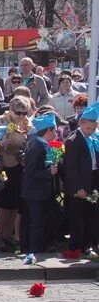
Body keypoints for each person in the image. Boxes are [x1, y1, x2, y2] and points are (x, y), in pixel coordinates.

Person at [0, 97, 32, 249]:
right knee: (5, 204)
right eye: (18, 113)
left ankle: (8, 235)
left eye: (25, 113)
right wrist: (0, 144)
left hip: (20, 166)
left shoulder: (27, 123)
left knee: (16, 204)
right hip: (5, 166)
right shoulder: (0, 122)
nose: (22, 116)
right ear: (11, 109)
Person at [63, 103, 98, 254]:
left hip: (93, 179)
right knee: (77, 217)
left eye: (93, 128)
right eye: (88, 128)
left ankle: (89, 243)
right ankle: (75, 246)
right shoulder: (73, 140)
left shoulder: (94, 139)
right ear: (81, 123)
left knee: (92, 215)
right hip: (80, 183)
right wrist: (78, 187)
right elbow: (70, 168)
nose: (90, 132)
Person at [21, 113, 58, 254]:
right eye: (54, 130)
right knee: (36, 222)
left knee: (39, 221)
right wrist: (49, 172)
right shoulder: (36, 147)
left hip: (40, 191)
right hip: (34, 192)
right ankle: (34, 250)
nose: (55, 134)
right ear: (48, 131)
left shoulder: (42, 145)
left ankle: (38, 247)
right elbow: (30, 171)